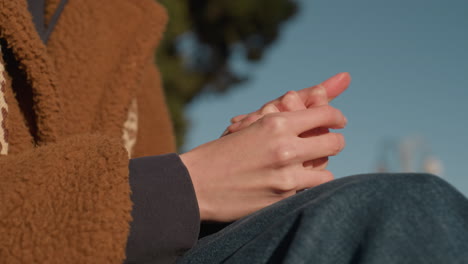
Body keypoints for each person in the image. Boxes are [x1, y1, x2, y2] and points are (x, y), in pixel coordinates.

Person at [1, 0, 467, 263]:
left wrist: (231, 174)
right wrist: (188, 183)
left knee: (398, 206)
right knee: (398, 210)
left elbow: (151, 232)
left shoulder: (123, 18)